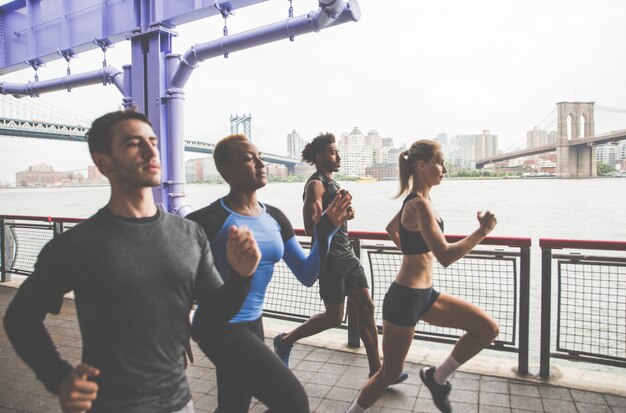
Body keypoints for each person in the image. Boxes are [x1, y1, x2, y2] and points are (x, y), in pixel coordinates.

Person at [3, 111, 261, 413]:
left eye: (152, 142)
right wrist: (58, 378)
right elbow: (20, 318)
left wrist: (243, 276)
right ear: (104, 162)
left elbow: (216, 311)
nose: (151, 151)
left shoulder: (189, 233)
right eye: (133, 143)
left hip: (180, 404)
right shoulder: (77, 245)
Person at [187, 133, 353, 413]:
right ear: (226, 170)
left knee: (233, 406)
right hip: (218, 326)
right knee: (293, 402)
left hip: (254, 322)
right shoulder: (206, 221)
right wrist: (175, 323)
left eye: (261, 157)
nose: (260, 163)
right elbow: (176, 279)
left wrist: (326, 231)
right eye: (248, 159)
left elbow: (306, 274)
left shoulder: (275, 217)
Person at [346, 139, 499, 413]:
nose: (444, 169)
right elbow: (445, 256)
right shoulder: (419, 205)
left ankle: (437, 377)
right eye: (440, 163)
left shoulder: (421, 201)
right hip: (404, 298)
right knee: (389, 373)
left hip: (425, 295)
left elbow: (392, 228)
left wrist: (415, 253)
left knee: (486, 329)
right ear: (421, 165)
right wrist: (482, 232)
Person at [273, 133, 407, 384]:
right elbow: (312, 228)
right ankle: (285, 340)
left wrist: (344, 215)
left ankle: (377, 371)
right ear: (319, 157)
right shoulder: (315, 185)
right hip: (330, 259)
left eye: (337, 152)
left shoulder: (333, 184)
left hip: (347, 254)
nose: (338, 156)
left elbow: (332, 220)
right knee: (335, 317)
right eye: (333, 152)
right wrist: (334, 217)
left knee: (366, 308)